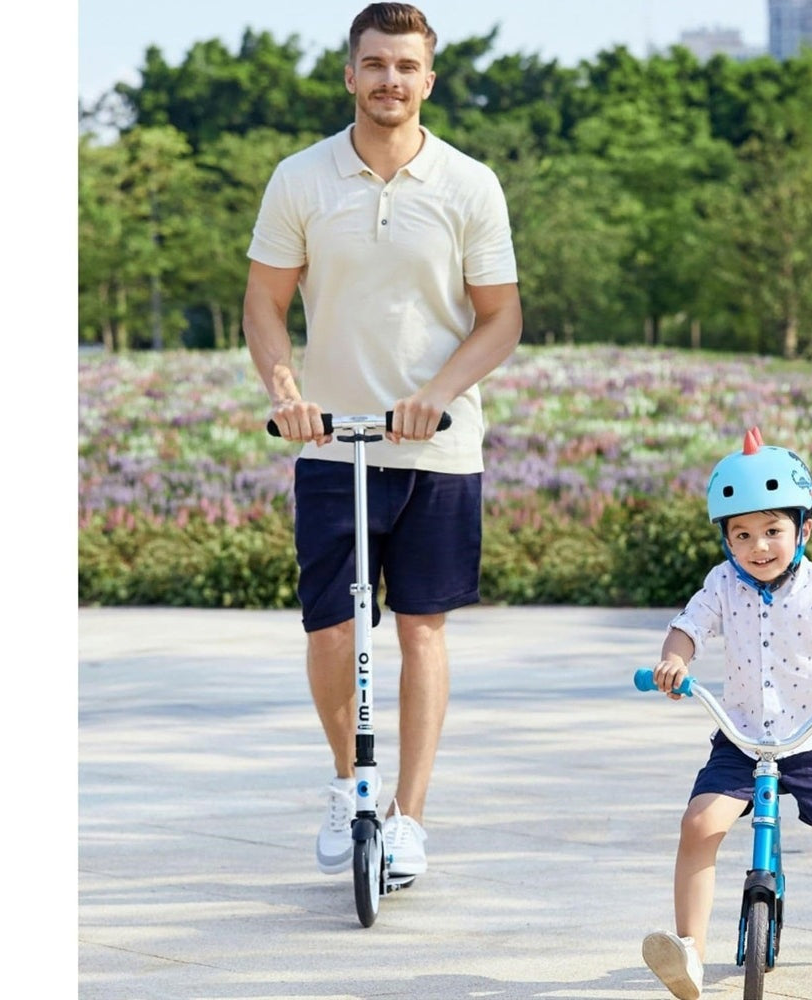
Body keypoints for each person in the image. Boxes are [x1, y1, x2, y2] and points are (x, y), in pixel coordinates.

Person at [241, 3, 522, 879]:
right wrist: (286, 394)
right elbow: (264, 303)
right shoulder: (301, 178)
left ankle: (408, 818)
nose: (389, 80)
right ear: (351, 73)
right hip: (331, 443)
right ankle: (346, 785)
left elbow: (501, 319)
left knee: (422, 630)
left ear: (428, 79)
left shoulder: (470, 184)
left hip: (436, 445)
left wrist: (436, 393)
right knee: (331, 628)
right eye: (375, 64)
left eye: (406, 66)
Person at [640, 427, 812, 1000]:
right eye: (742, 534)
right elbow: (689, 627)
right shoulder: (722, 585)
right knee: (698, 825)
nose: (758, 546)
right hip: (741, 741)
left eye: (773, 531)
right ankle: (688, 952)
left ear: (803, 529)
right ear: (726, 539)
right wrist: (673, 662)